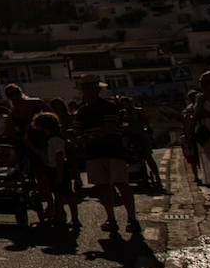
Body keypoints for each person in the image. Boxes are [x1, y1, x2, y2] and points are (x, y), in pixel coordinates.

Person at [74, 74, 140, 236]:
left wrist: (86, 137)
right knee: (103, 186)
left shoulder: (108, 107)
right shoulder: (82, 111)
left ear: (97, 90)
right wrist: (77, 138)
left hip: (112, 150)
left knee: (121, 183)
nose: (88, 91)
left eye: (91, 88)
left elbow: (110, 129)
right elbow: (77, 130)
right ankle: (111, 218)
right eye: (86, 88)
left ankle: (132, 218)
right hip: (94, 152)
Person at [31, 111, 79, 229]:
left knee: (66, 193)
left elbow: (59, 157)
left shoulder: (55, 139)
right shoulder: (48, 139)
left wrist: (59, 173)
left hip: (58, 169)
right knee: (58, 194)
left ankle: (74, 218)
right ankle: (59, 215)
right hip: (51, 168)